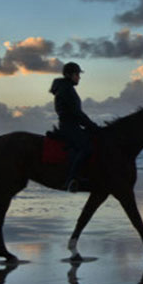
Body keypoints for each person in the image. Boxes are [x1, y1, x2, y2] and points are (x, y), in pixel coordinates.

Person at [50, 62, 100, 192]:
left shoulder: (66, 88)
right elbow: (76, 113)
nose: (79, 77)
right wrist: (93, 126)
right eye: (77, 74)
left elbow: (77, 113)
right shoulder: (66, 89)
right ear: (69, 75)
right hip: (69, 126)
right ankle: (72, 179)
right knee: (87, 148)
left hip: (71, 125)